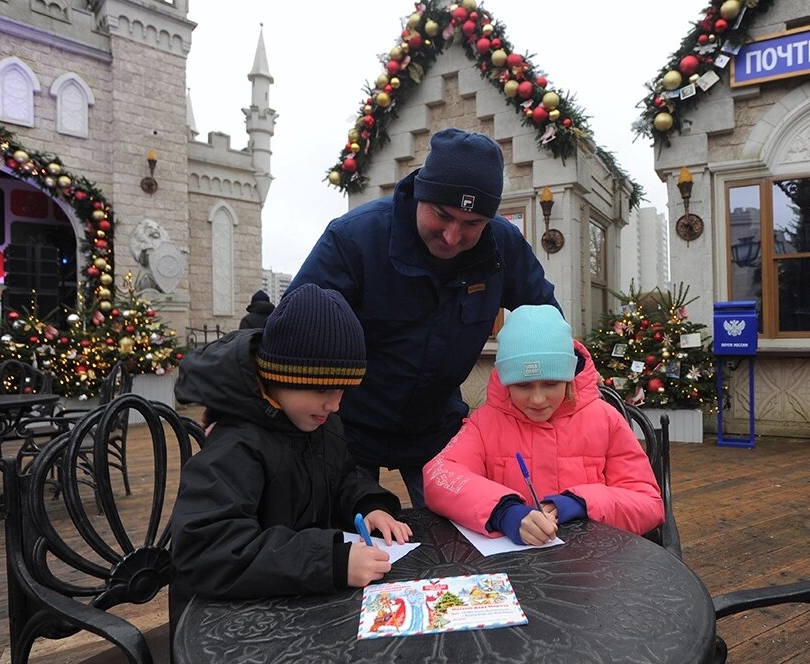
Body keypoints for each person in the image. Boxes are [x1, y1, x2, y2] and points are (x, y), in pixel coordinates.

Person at [288, 128, 558, 508]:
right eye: (442, 215)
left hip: (436, 427)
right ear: (420, 194)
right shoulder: (354, 238)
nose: (452, 236)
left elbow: (547, 320)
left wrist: (576, 393)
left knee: (458, 528)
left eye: (472, 224)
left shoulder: (503, 245)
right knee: (348, 527)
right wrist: (240, 404)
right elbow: (288, 330)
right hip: (345, 427)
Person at [169, 283, 412, 628]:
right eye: (322, 389)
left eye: (343, 390)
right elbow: (207, 549)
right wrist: (330, 562)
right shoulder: (235, 445)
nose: (335, 404)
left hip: (296, 606)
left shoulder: (319, 423)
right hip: (228, 625)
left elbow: (342, 477)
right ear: (279, 376)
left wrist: (368, 505)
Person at [422, 305, 664, 545]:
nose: (537, 399)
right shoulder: (485, 422)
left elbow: (648, 504)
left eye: (550, 383)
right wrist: (503, 511)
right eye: (523, 385)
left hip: (593, 560)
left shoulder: (606, 420)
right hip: (515, 564)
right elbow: (439, 477)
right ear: (506, 382)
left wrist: (581, 503)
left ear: (568, 378)